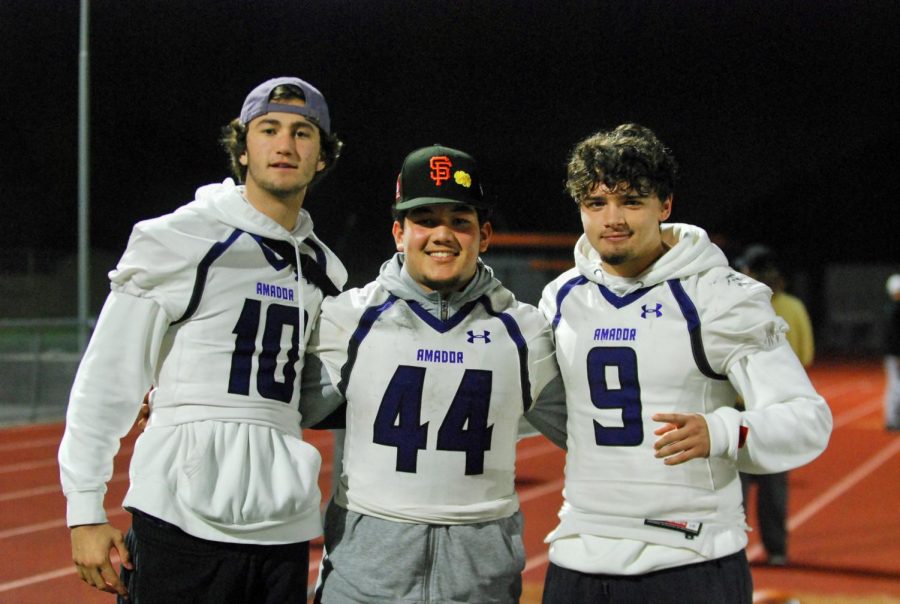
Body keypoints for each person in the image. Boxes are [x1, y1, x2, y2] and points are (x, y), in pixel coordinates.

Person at [57, 76, 347, 603]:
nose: (285, 145)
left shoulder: (325, 269)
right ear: (242, 147)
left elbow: (311, 390)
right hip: (180, 517)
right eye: (269, 129)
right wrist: (84, 508)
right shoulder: (179, 238)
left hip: (282, 524)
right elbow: (108, 377)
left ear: (323, 157)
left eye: (304, 133)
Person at [538, 124, 833, 603]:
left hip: (687, 557)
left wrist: (721, 430)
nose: (612, 218)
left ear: (665, 205)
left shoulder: (717, 297)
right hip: (578, 555)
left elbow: (807, 419)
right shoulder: (561, 298)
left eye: (631, 201)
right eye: (596, 203)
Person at [299, 145, 567, 603]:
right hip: (363, 585)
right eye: (425, 219)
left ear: (484, 234)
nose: (442, 234)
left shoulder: (526, 332)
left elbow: (596, 432)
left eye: (459, 221)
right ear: (399, 232)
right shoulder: (345, 320)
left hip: (478, 587)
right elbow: (267, 404)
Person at [735, 244, 815, 566]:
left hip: (740, 409)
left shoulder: (737, 305)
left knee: (734, 483)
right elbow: (806, 354)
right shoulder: (793, 307)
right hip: (779, 410)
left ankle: (731, 549)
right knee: (774, 485)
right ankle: (777, 549)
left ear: (750, 274)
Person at [884, 274, 900, 431]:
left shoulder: (890, 307)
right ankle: (892, 419)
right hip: (895, 354)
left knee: (895, 386)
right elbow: (894, 335)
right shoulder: (894, 309)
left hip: (893, 353)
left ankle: (893, 418)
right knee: (895, 387)